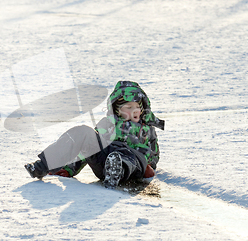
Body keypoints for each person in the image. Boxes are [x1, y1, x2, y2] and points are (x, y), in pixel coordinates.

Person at [25, 80, 165, 188]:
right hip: (105, 162)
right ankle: (42, 165)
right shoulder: (107, 124)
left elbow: (154, 152)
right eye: (128, 107)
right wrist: (69, 169)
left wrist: (150, 166)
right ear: (117, 109)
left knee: (124, 156)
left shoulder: (147, 128)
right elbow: (88, 149)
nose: (134, 110)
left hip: (134, 162)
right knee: (83, 132)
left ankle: (116, 170)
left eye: (137, 107)